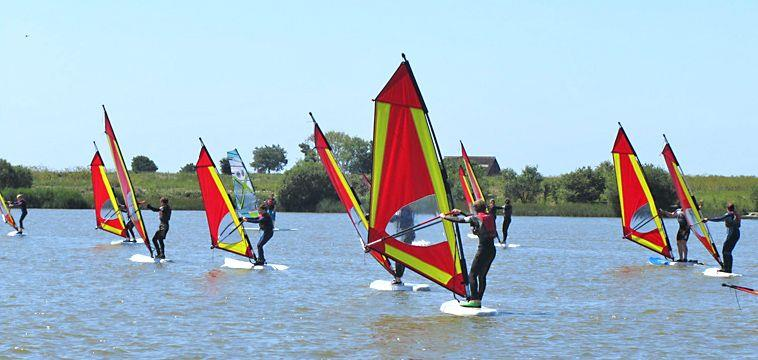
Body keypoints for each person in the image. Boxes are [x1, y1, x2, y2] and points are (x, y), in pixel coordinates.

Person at [440, 199, 497, 308]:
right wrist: (461, 212)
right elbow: (474, 219)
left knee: (472, 275)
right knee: (482, 276)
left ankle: (474, 300)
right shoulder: (490, 216)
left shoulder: (476, 218)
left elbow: (461, 220)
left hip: (483, 250)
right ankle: (478, 299)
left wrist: (444, 217)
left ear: (476, 209)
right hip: (492, 251)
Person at [704, 203, 741, 273]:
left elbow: (719, 219)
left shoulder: (729, 214)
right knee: (728, 251)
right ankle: (728, 268)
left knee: (725, 251)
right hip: (736, 234)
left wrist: (708, 219)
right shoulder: (735, 214)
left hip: (732, 234)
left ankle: (726, 269)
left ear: (727, 208)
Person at [389, 206, 415, 285]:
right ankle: (398, 278)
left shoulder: (406, 209)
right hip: (405, 234)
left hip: (407, 235)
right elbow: (393, 220)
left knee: (400, 256)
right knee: (400, 257)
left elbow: (406, 219)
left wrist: (395, 217)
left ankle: (398, 279)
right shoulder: (402, 209)